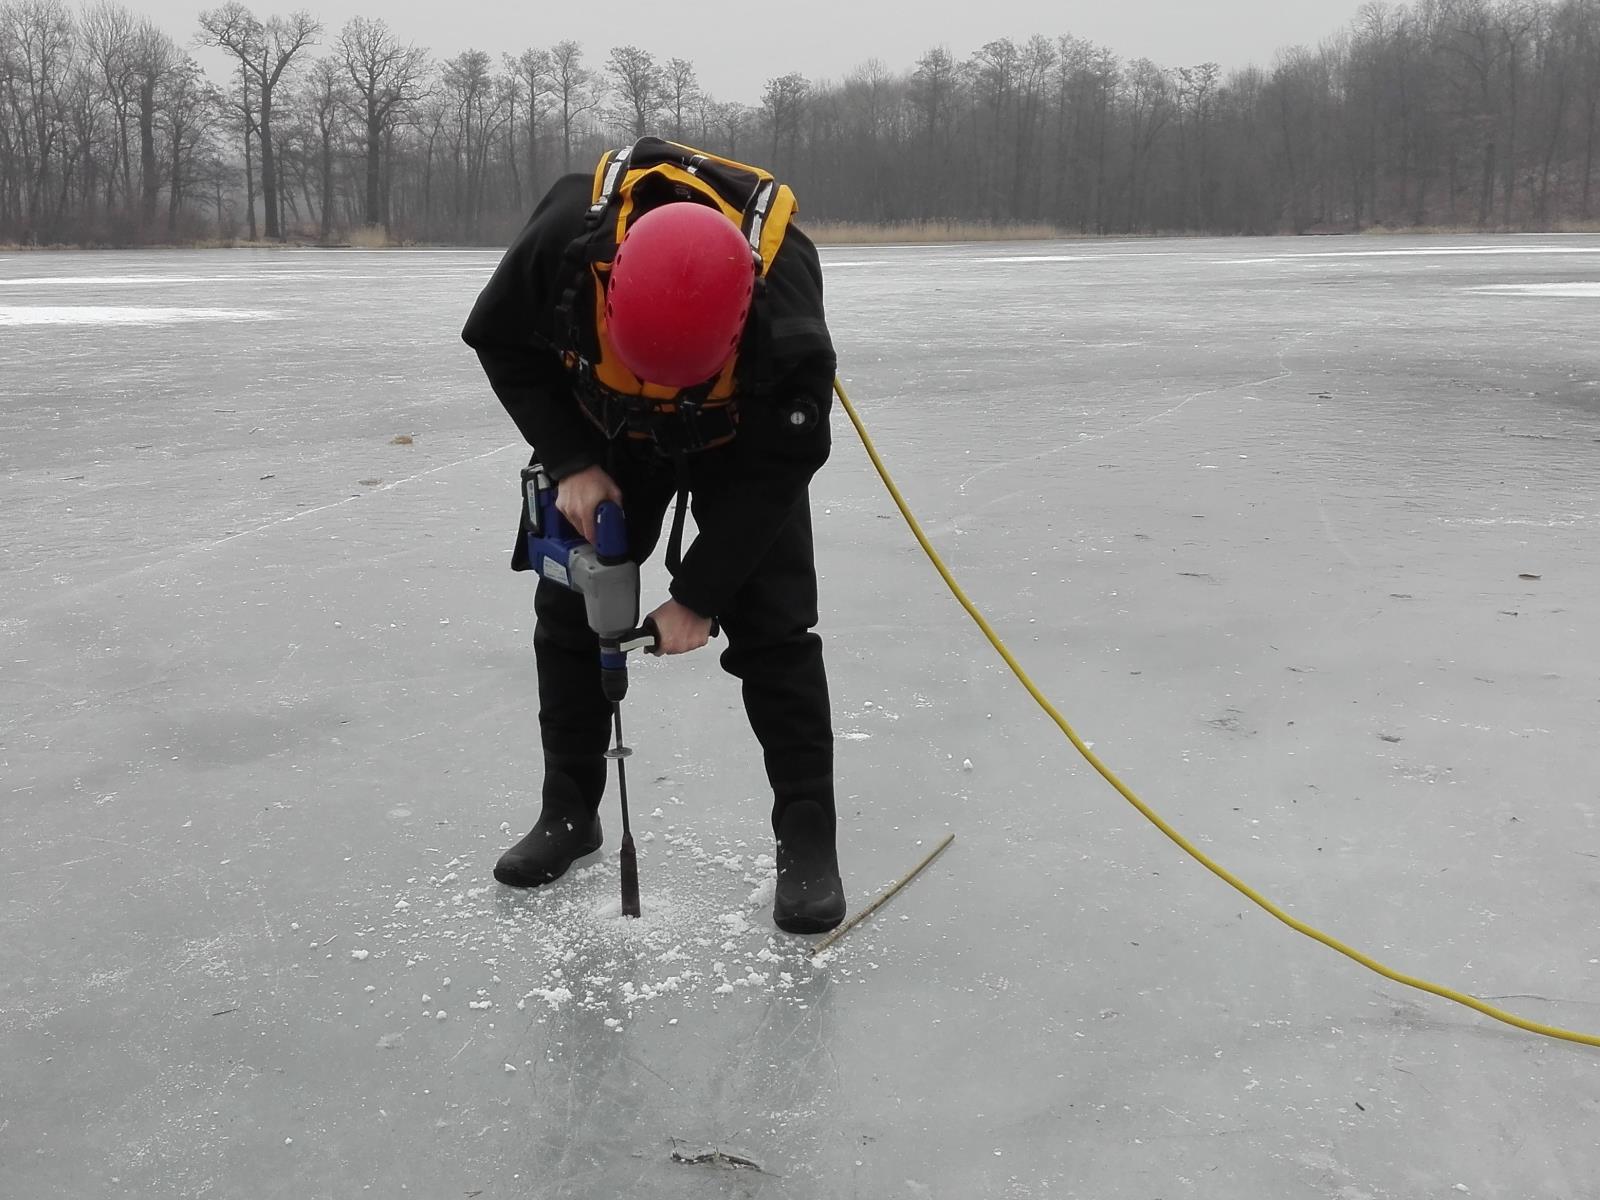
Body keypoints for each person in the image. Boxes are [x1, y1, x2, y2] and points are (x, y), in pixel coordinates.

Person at [461, 138, 845, 933]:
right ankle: (569, 809)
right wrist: (570, 461)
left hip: (740, 440)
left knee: (776, 630)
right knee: (571, 606)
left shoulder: (786, 299)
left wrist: (701, 596)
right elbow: (497, 340)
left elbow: (787, 460)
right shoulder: (568, 237)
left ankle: (808, 837)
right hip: (607, 424)